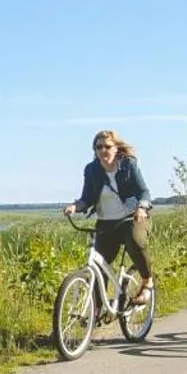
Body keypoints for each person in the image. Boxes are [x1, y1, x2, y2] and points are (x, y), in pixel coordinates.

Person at [60, 129, 154, 312]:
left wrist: (142, 207)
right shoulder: (92, 170)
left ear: (116, 148)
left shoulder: (128, 165)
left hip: (131, 218)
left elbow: (144, 192)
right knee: (98, 268)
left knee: (136, 241)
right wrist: (74, 206)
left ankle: (147, 281)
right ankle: (96, 311)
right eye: (99, 147)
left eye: (108, 146)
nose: (103, 150)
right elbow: (86, 199)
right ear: (94, 150)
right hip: (106, 224)